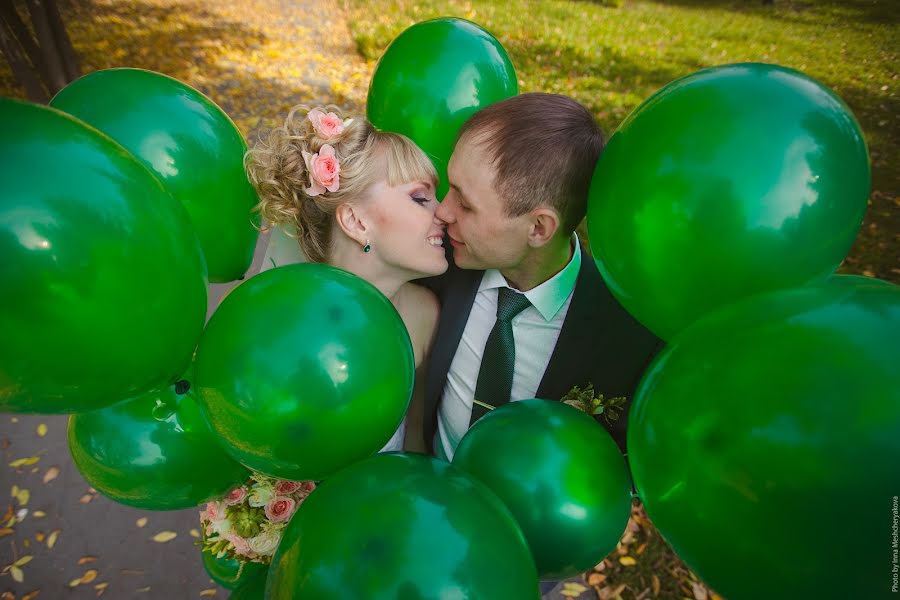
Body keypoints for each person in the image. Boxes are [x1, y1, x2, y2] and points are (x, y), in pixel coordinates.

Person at [424, 92, 662, 463]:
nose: (443, 210)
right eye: (449, 188)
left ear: (538, 228)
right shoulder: (438, 263)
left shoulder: (627, 335)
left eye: (465, 204)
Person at [245, 104, 447, 453]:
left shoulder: (424, 314)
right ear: (355, 222)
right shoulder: (285, 321)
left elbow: (416, 444)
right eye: (420, 198)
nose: (443, 212)